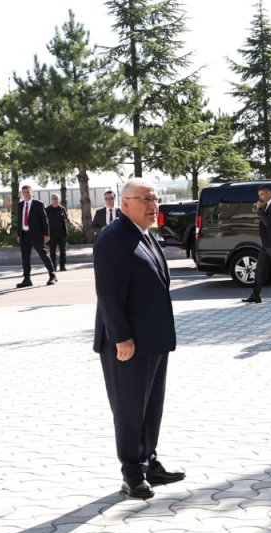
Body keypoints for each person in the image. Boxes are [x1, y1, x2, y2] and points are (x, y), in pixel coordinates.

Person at [93, 177, 183, 500]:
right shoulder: (113, 238)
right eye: (145, 199)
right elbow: (108, 295)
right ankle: (131, 471)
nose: (152, 205)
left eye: (154, 199)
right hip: (127, 343)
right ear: (125, 203)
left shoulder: (144, 235)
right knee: (130, 409)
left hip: (154, 339)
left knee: (151, 406)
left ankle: (149, 461)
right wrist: (121, 338)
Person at [15, 184, 57, 288]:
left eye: (27, 192)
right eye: (24, 192)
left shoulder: (38, 204)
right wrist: (19, 234)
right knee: (25, 258)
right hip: (24, 235)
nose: (25, 194)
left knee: (43, 255)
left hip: (36, 235)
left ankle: (52, 276)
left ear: (31, 192)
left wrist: (46, 234)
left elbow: (44, 220)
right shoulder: (20, 205)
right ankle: (27, 279)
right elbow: (19, 220)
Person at [46, 194, 69, 272]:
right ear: (51, 200)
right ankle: (53, 267)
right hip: (51, 234)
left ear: (58, 200)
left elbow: (66, 220)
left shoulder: (62, 209)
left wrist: (66, 232)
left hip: (62, 233)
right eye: (53, 199)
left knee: (63, 251)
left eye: (56, 199)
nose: (55, 200)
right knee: (52, 252)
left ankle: (62, 266)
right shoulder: (47, 210)